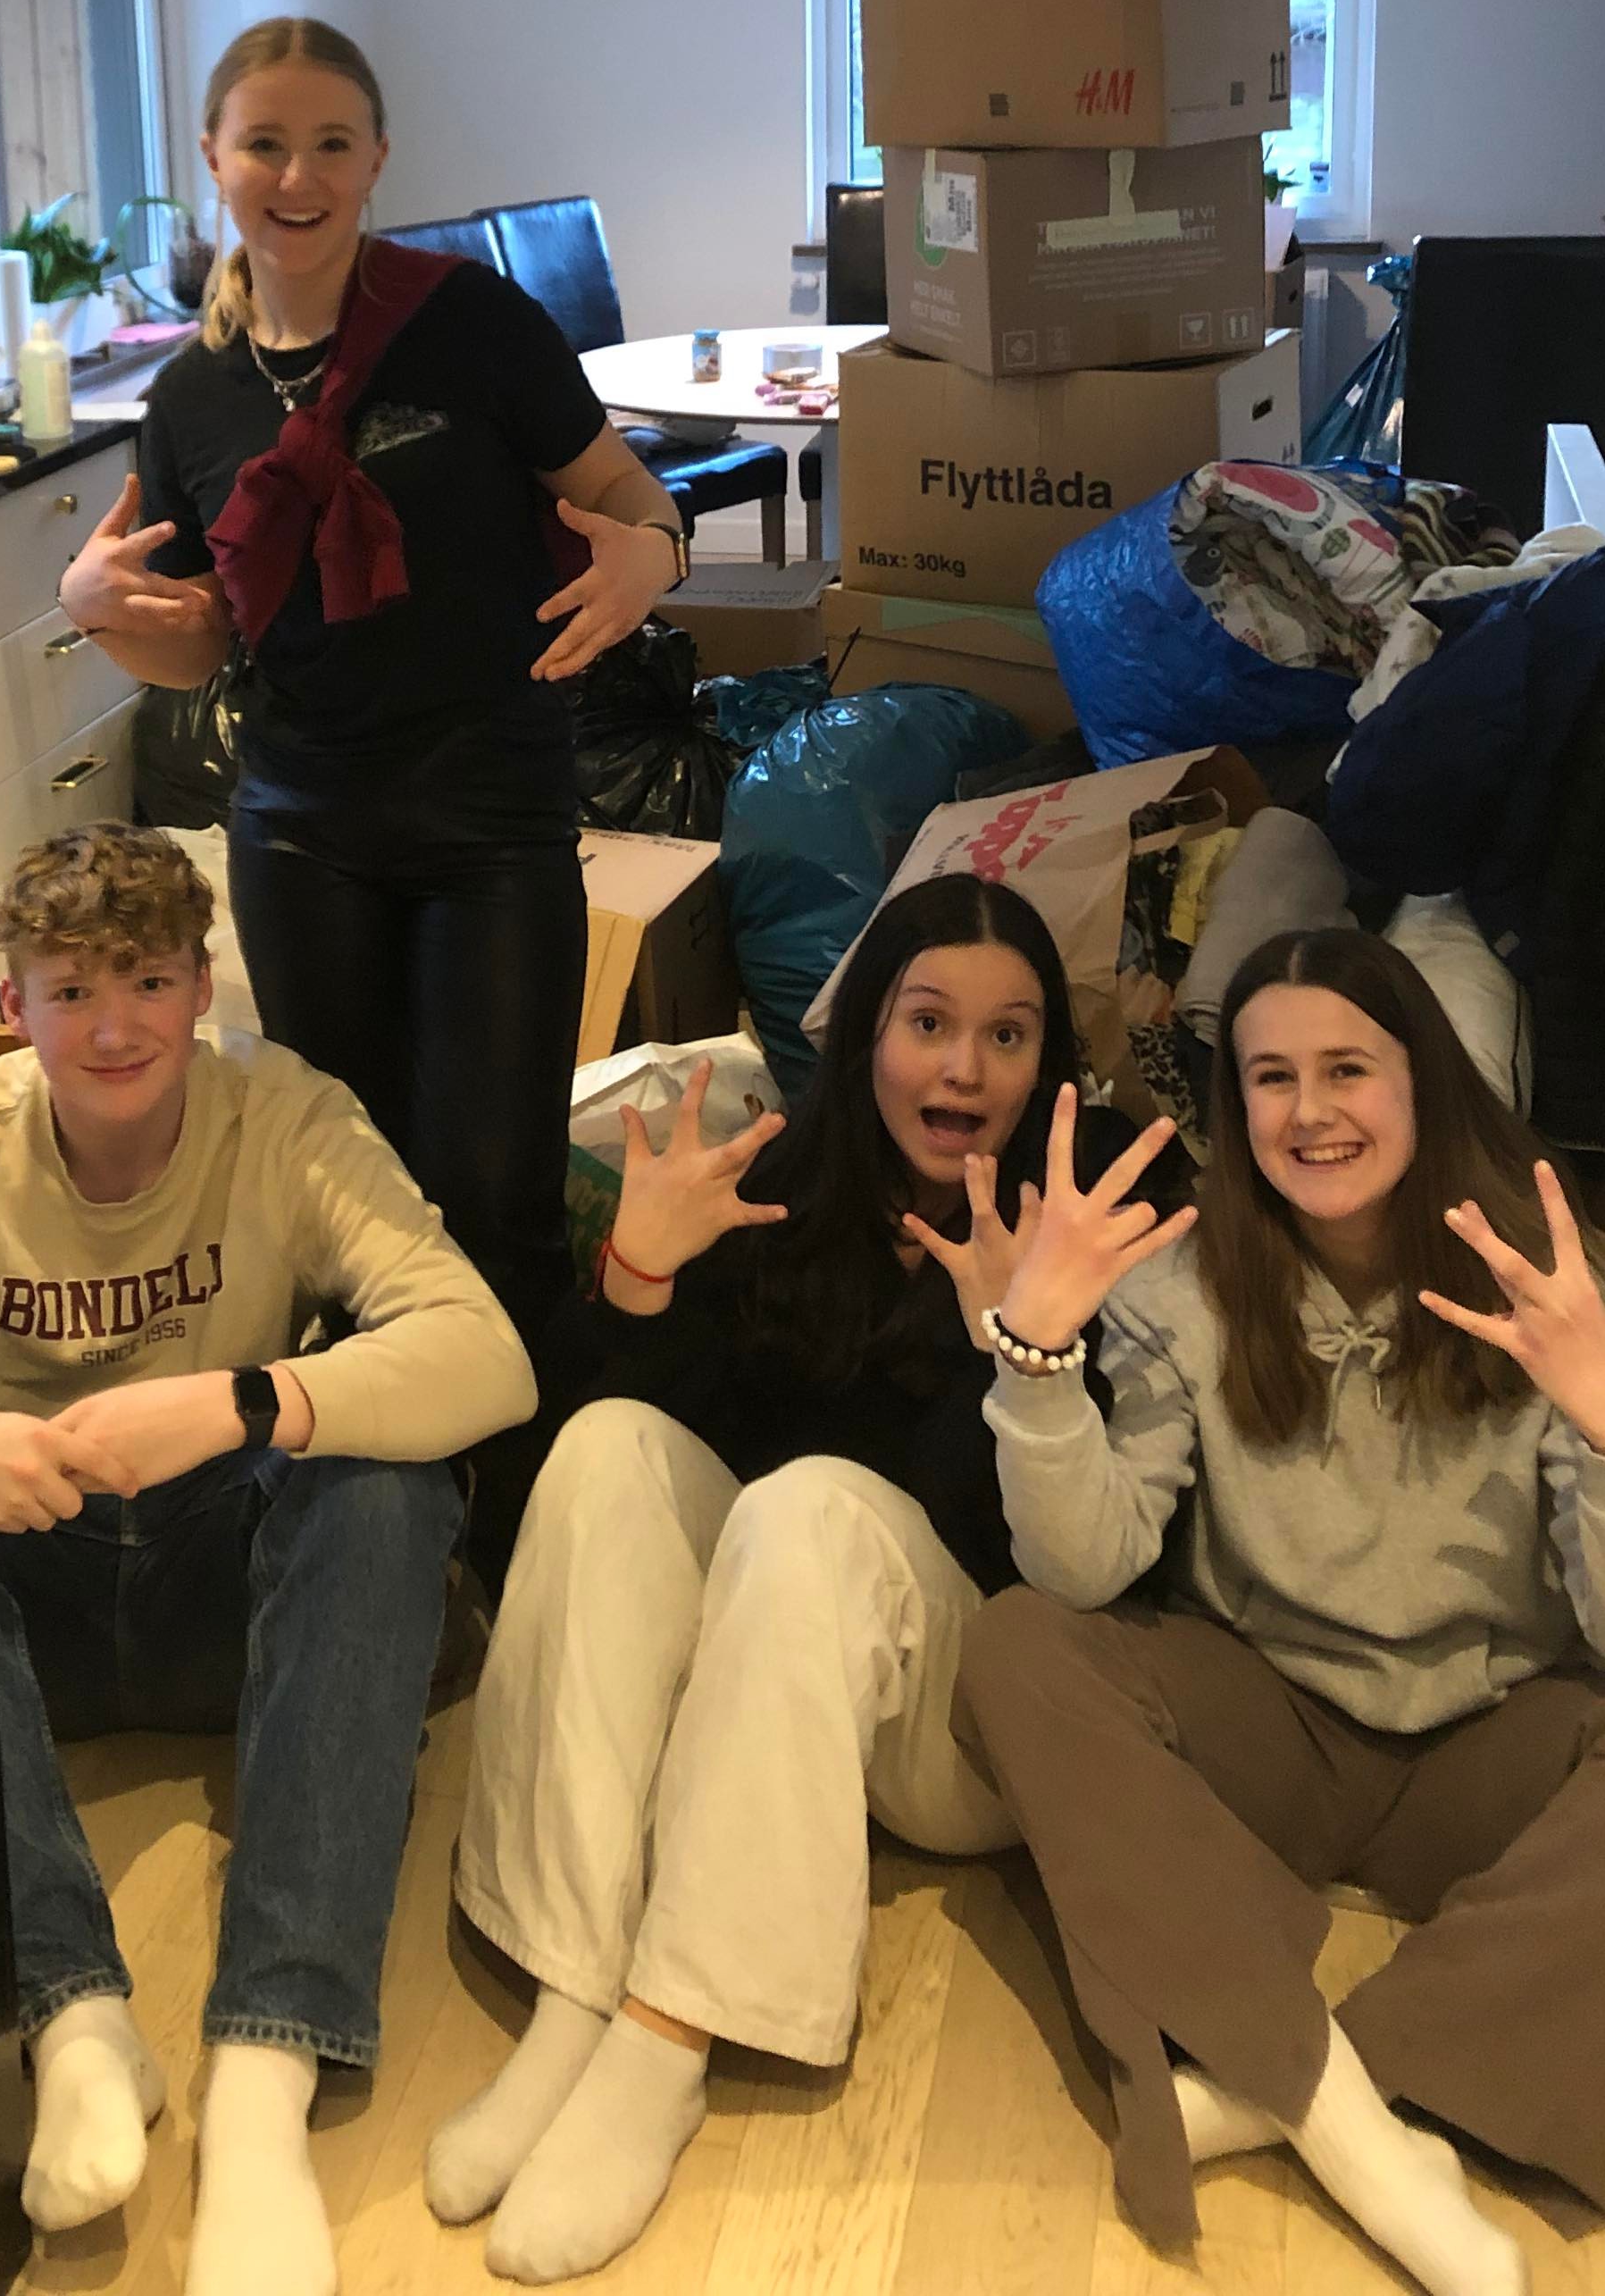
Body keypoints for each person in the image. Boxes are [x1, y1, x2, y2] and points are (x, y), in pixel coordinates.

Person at [949, 924, 1605, 2296]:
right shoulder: (1185, 1289)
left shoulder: (1552, 1294)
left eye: (1348, 1069)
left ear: (1425, 1082)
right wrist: (1041, 1356)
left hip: (1487, 1744)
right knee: (1018, 1645)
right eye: (1271, 1078)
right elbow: (1080, 1572)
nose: (1310, 1111)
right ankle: (1360, 2128)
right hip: (1268, 1731)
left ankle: (1298, 2082)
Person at [0, 824, 534, 2296]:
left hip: (224, 1586)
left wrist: (245, 1401)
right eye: (72, 990)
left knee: (381, 1484)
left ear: (201, 985)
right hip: (28, 1609)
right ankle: (71, 2023)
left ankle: (265, 2073)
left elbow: (488, 1356)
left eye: (149, 981)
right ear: (9, 1004)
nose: (115, 1028)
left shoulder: (281, 1115)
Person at [429, 874, 1187, 2284]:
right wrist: (637, 1283)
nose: (964, 1070)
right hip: (774, 1677)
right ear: (868, 1033)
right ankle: (574, 1989)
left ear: (1048, 1060)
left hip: (972, 1728)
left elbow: (1083, 1575)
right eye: (928, 1023)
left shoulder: (1092, 1217)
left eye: (1008, 1035)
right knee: (606, 1449)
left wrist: (1020, 1352)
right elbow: (600, 1493)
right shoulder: (789, 1180)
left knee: (816, 1505)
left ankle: (669, 2039)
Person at [57, 14, 689, 1358]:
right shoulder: (192, 400)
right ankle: (384, 1466)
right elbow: (205, 645)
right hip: (303, 834)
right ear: (214, 159)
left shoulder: (476, 325)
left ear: (378, 159)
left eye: (331, 144)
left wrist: (651, 553)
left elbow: (625, 492)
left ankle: (515, 1463)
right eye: (266, 145)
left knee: (496, 1195)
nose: (299, 177)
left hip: (492, 822)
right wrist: (94, 613)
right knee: (349, 1197)